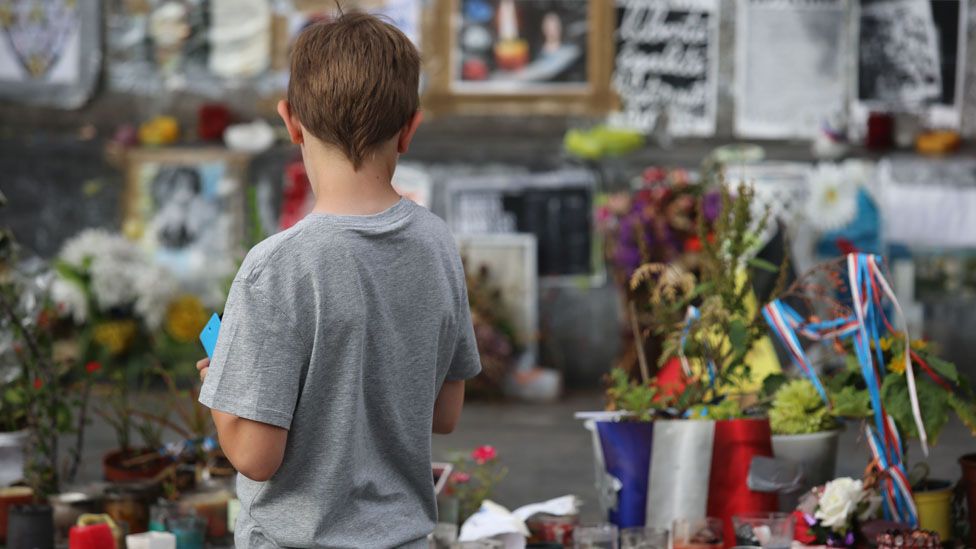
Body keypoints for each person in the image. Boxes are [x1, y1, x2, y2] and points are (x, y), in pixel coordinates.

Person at [195, 13, 482, 548]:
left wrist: (223, 390)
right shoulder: (437, 243)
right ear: (410, 129)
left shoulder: (276, 266)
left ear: (291, 122)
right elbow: (445, 413)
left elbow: (257, 457)